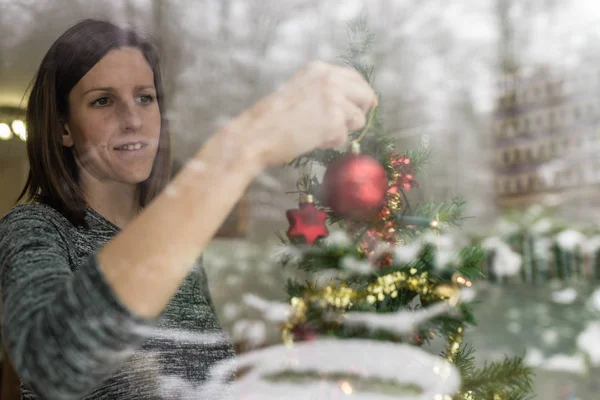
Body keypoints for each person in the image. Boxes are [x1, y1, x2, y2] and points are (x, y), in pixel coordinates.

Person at [0, 18, 376, 400]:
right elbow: (51, 363)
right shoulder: (34, 227)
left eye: (145, 98)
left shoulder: (175, 244)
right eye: (103, 101)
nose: (133, 120)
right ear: (64, 126)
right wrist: (243, 145)